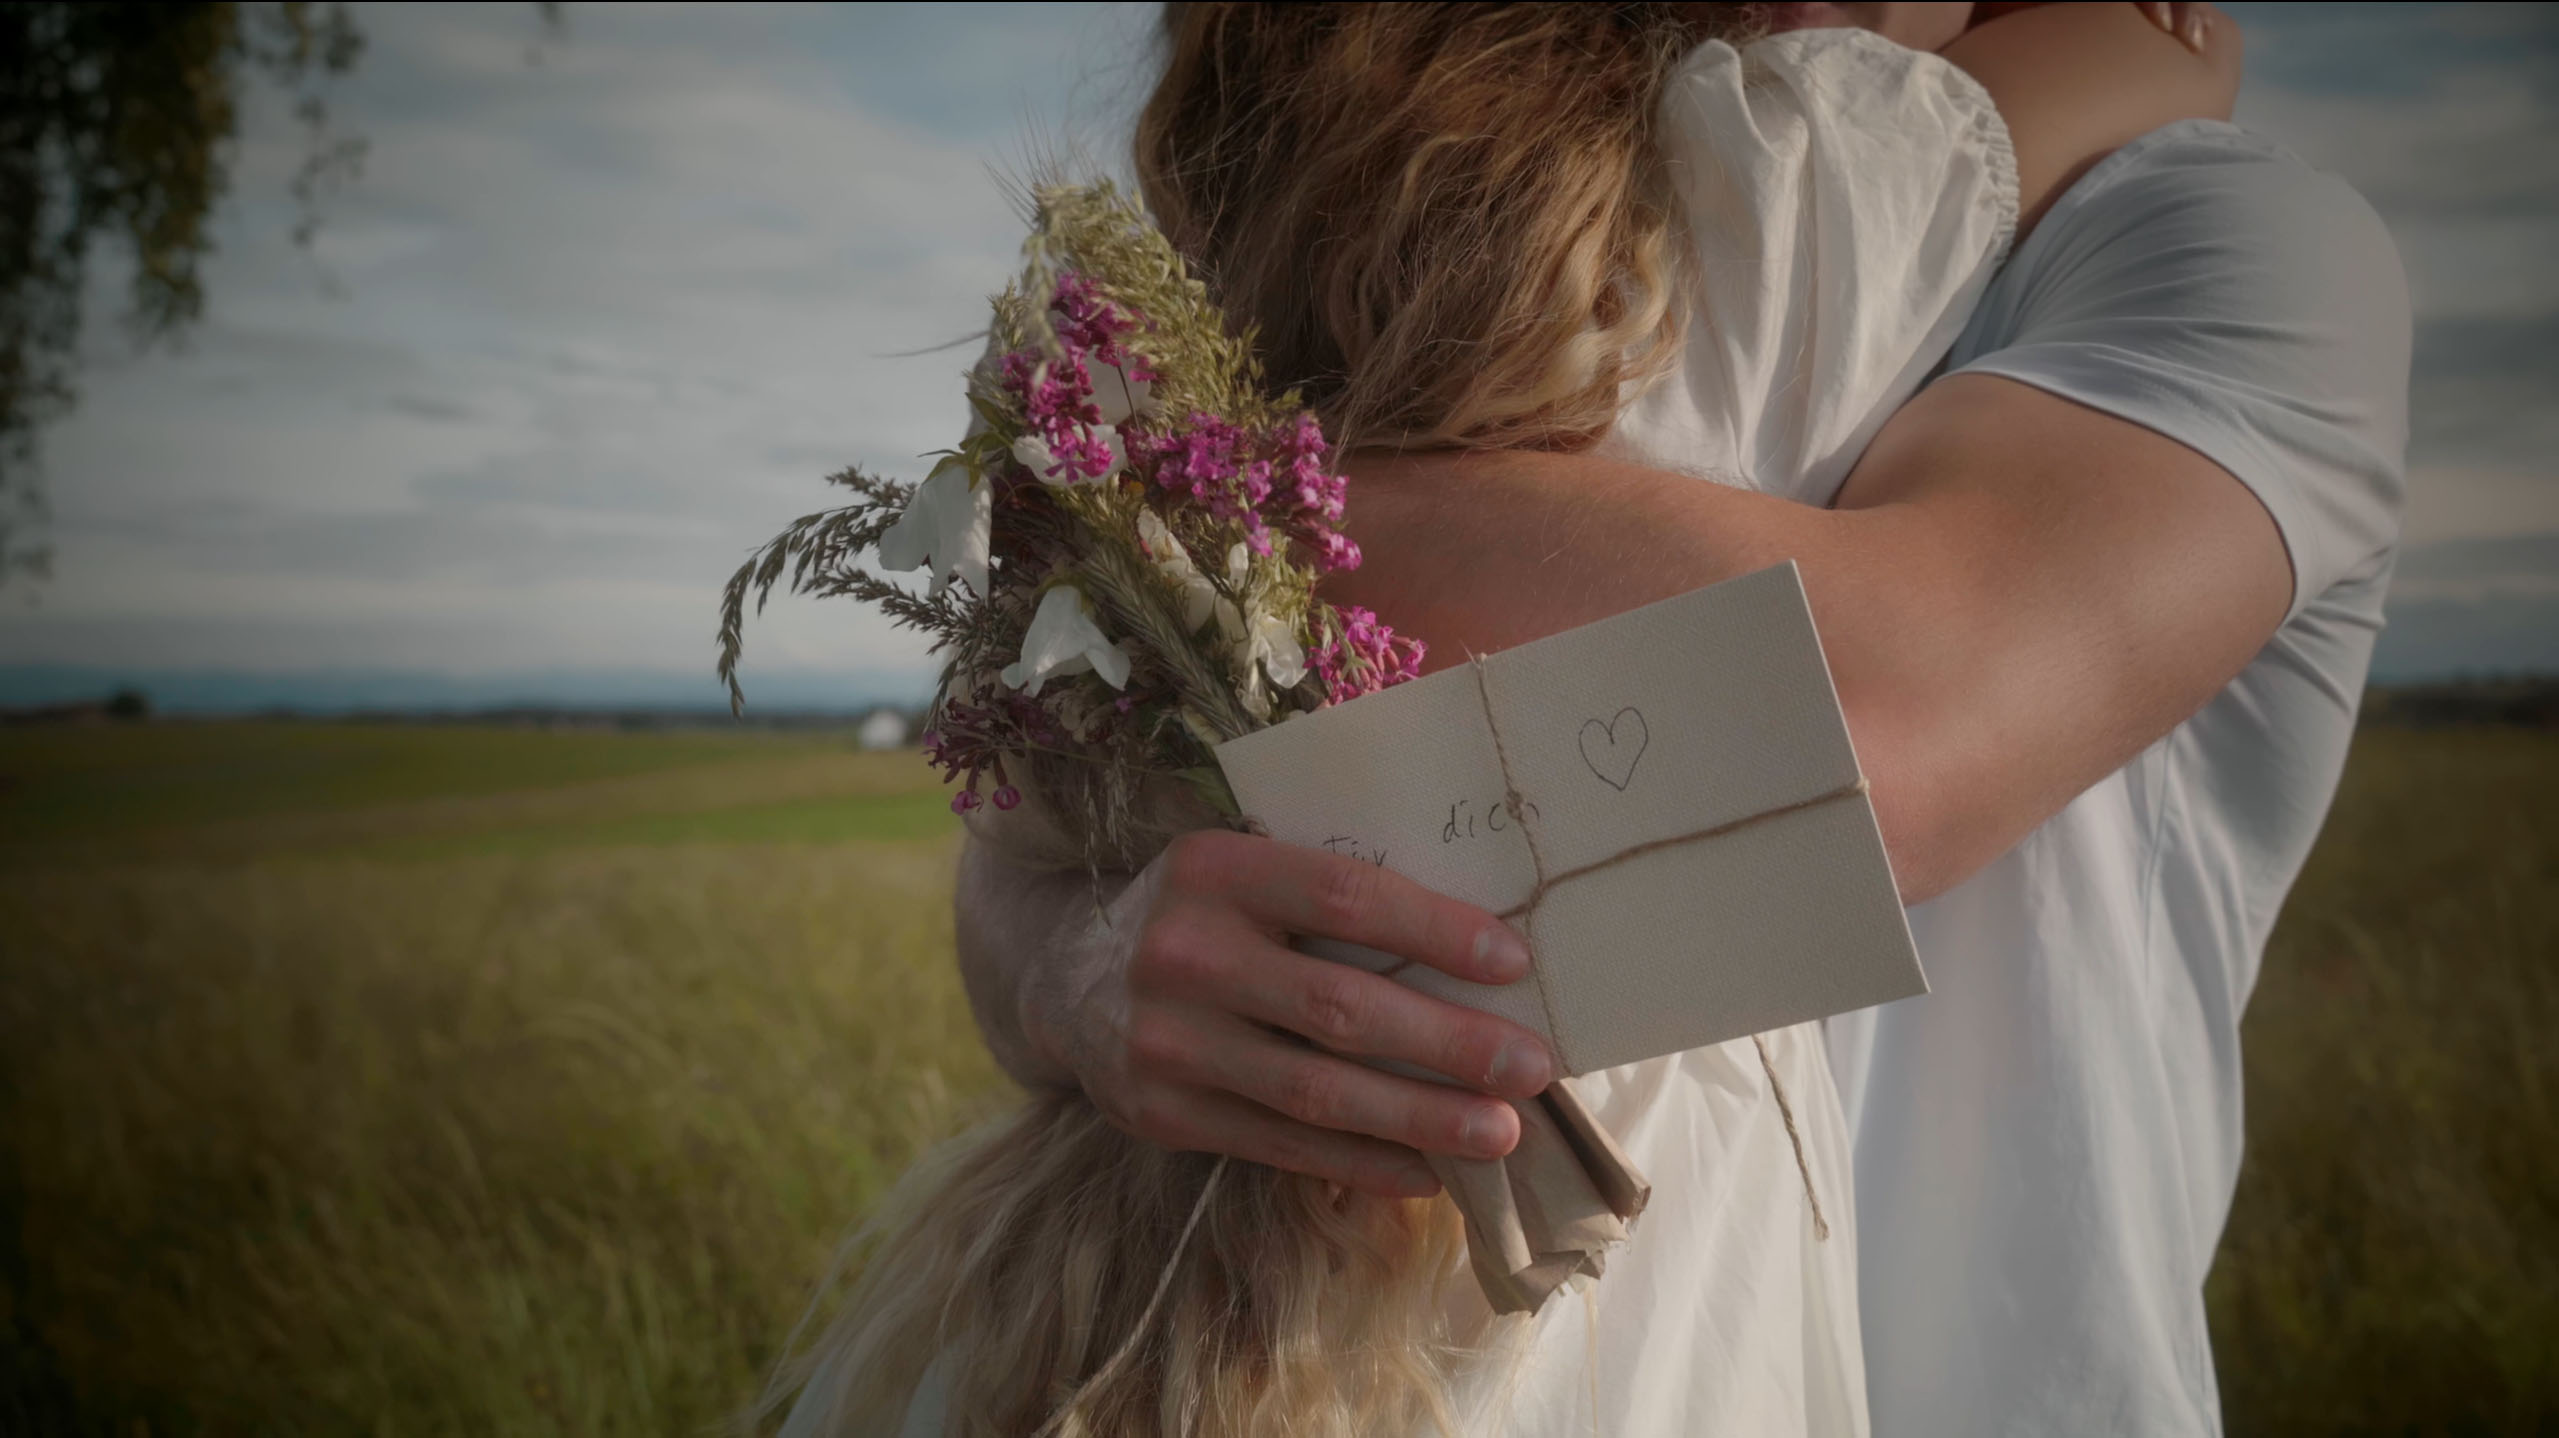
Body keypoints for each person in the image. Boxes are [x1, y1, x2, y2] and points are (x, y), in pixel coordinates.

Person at [787, 1, 2372, 1433]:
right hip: (1405, 1331)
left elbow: (1865, 727)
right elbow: (1040, 821)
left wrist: (1164, 515)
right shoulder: (1511, 205)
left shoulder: (2207, 237)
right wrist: (1081, 972)